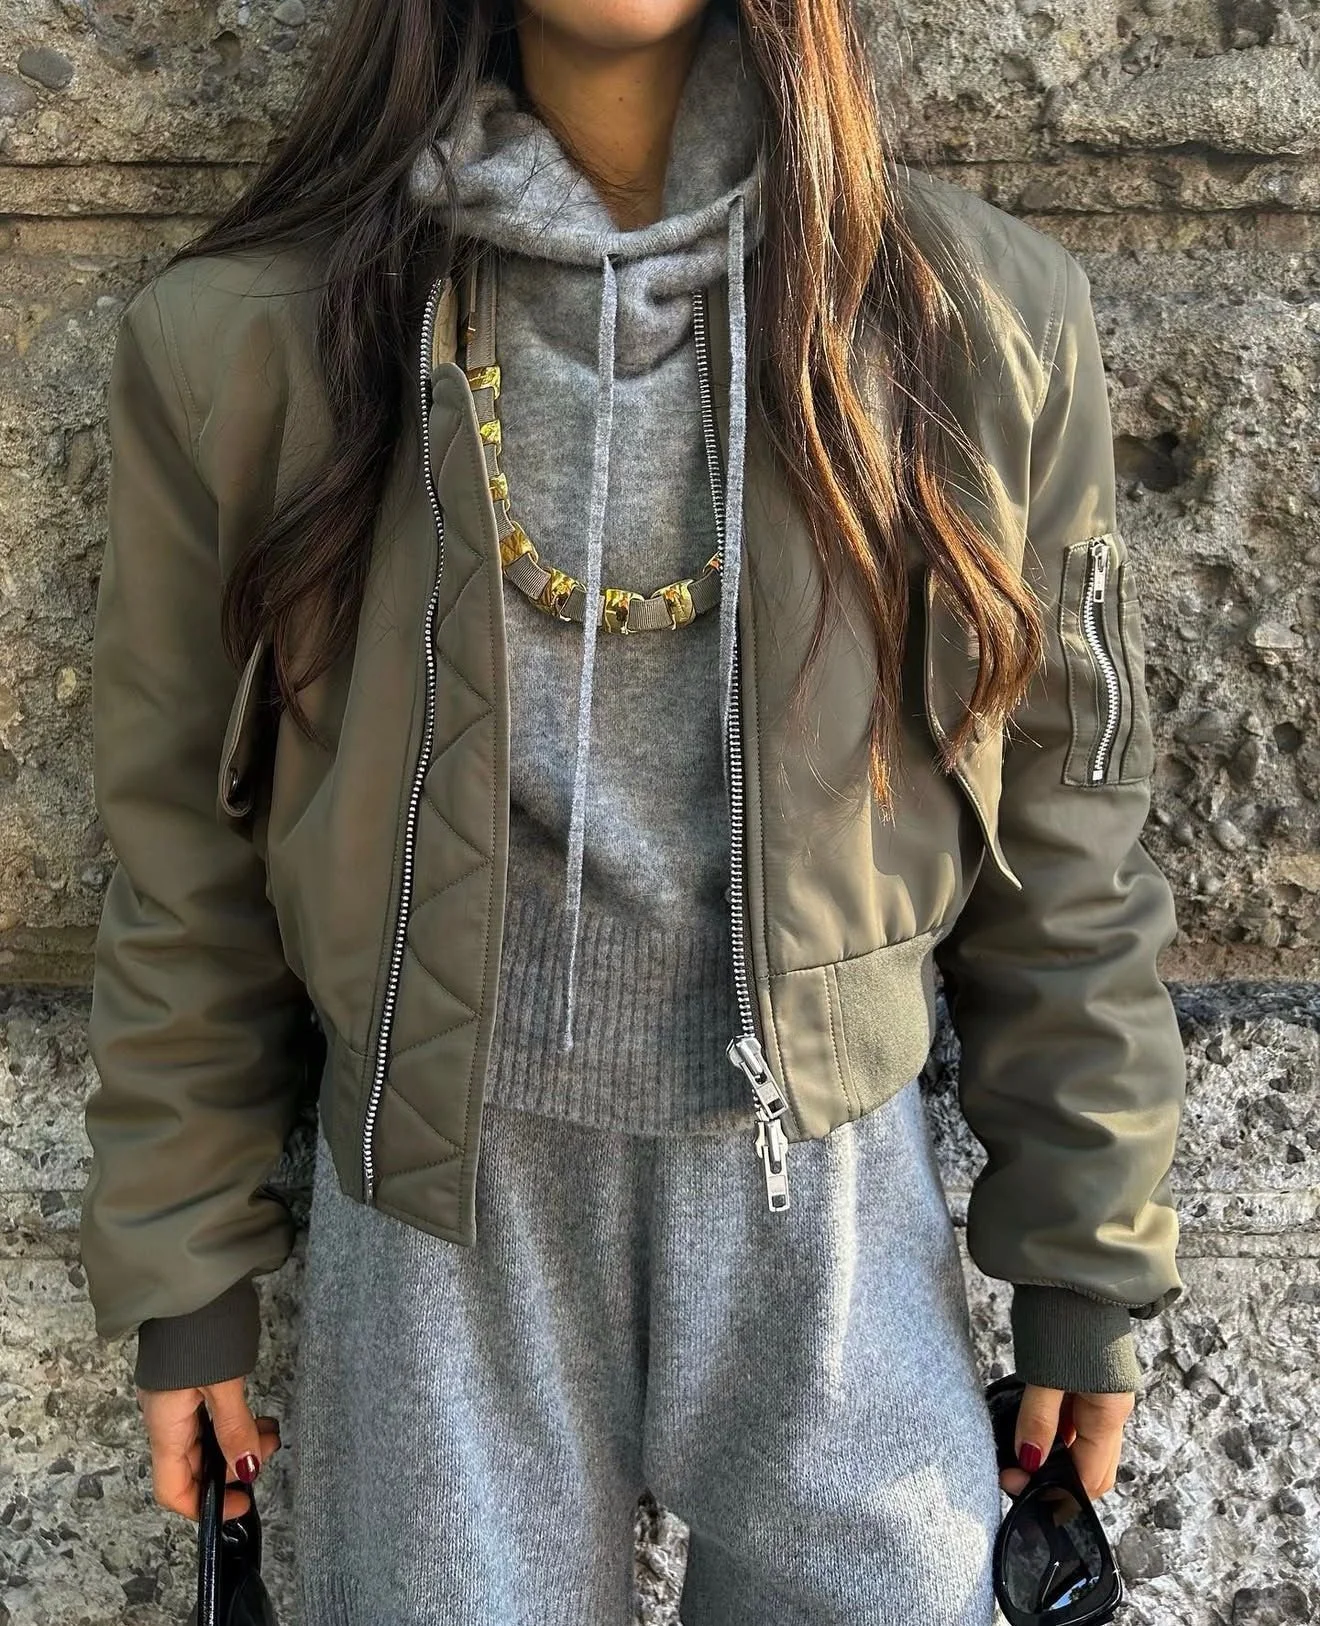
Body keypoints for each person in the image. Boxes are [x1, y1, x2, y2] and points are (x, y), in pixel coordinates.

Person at [77, 0, 1187, 1620]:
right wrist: (185, 1273)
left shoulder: (977, 325)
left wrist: (1086, 1267)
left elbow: (1071, 836)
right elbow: (183, 843)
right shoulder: (256, 340)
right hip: (439, 1235)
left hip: (835, 1226)